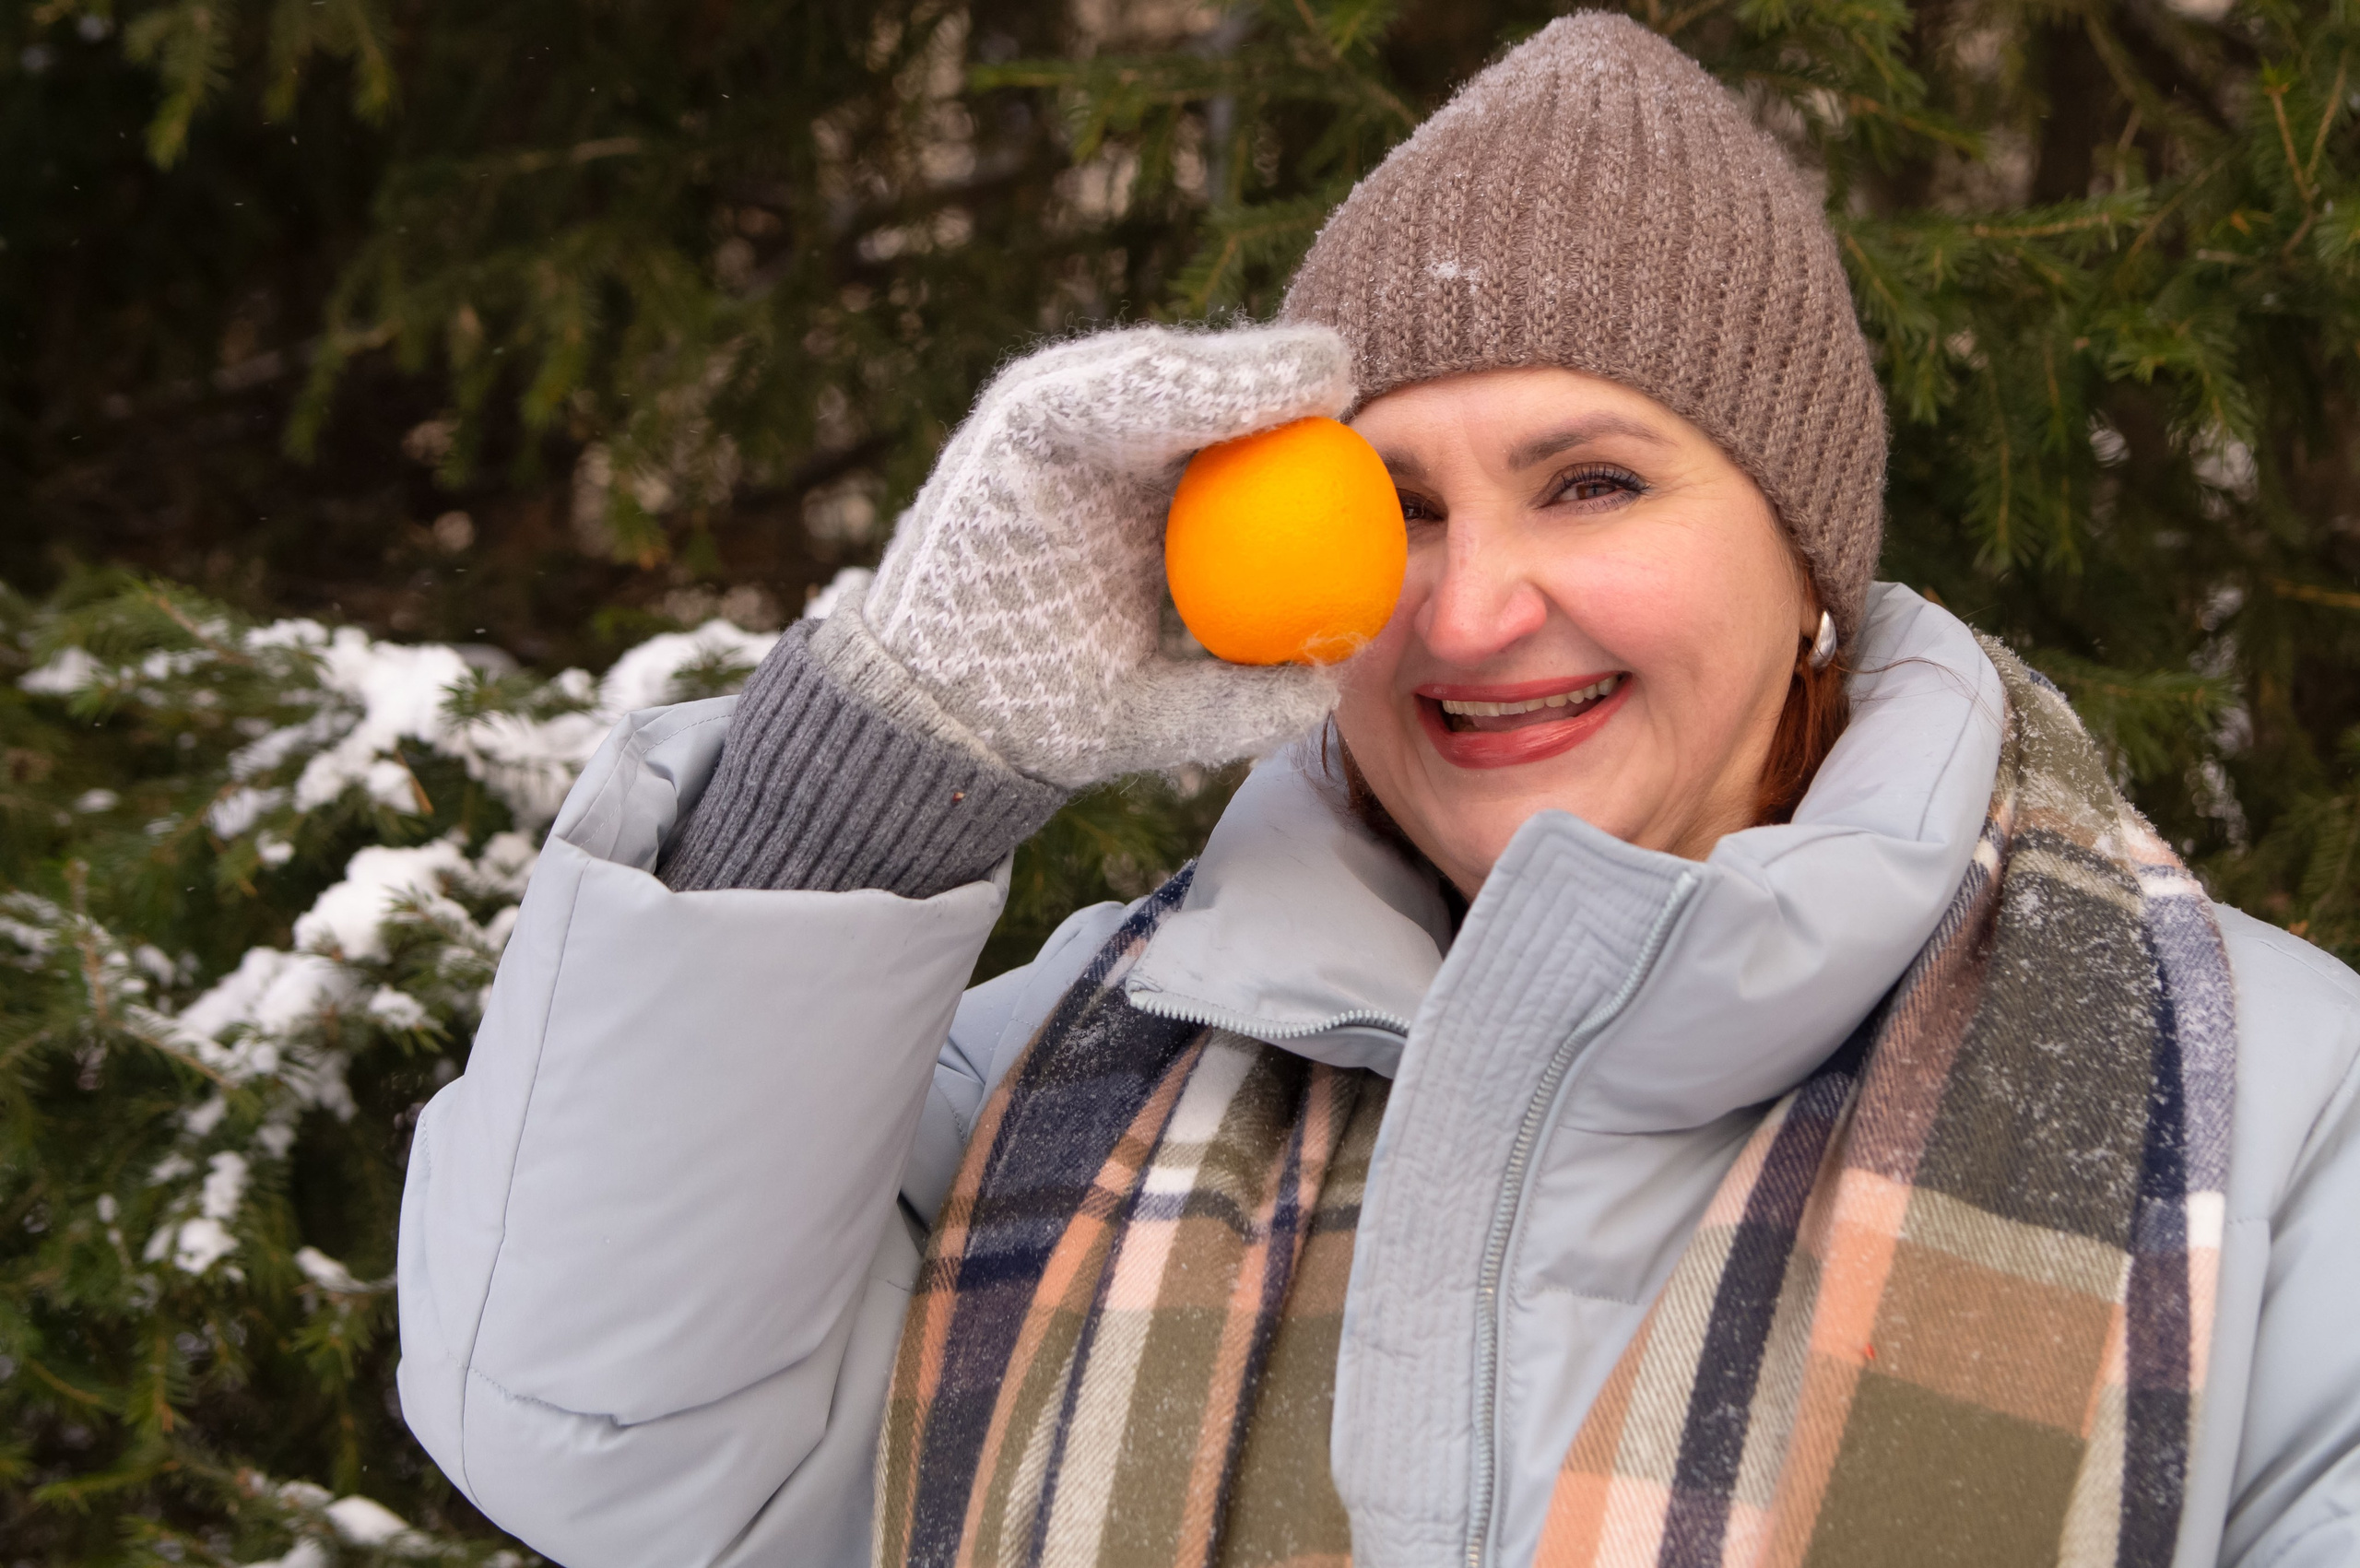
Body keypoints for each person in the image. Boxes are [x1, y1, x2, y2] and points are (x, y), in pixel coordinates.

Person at [394, 17, 2360, 1568]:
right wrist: (888, 758)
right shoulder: (1071, 1068)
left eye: (1590, 481)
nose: (1472, 605)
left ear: (1806, 565)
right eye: (1394, 506)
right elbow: (589, 1431)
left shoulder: (2262, 1103)